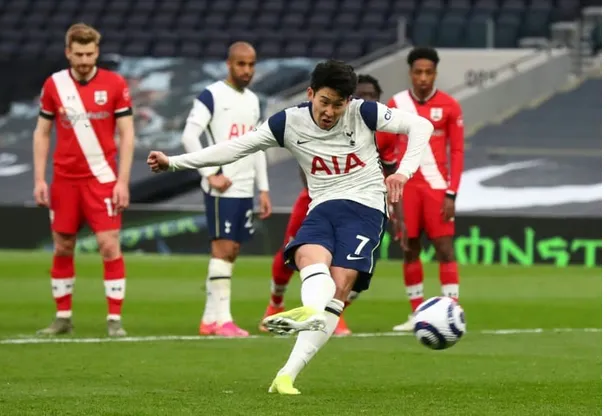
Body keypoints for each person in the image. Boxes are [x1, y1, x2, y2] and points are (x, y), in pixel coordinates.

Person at [147, 60, 433, 395]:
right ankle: (310, 311)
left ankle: (287, 374)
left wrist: (403, 173)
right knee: (307, 257)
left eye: (337, 105)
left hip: (365, 208)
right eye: (324, 102)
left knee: (340, 285)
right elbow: (235, 148)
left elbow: (421, 126)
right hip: (323, 206)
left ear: (348, 101)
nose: (329, 112)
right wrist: (174, 162)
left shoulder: (364, 112)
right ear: (310, 93)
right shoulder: (288, 122)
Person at [259, 74, 394, 336]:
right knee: (291, 250)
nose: (367, 100)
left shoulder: (385, 133)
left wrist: (391, 204)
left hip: (365, 207)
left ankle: (334, 312)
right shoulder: (334, 122)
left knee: (357, 266)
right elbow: (308, 164)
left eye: (372, 96)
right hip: (316, 200)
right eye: (362, 95)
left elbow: (389, 169)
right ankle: (275, 303)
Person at [33, 23, 135, 337]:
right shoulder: (54, 85)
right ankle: (62, 317)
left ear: (97, 52)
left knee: (109, 245)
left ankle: (114, 320)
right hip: (64, 180)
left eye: (89, 54)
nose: (84, 60)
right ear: (68, 52)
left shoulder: (115, 83)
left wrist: (122, 181)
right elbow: (42, 132)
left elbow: (127, 133)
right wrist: (40, 179)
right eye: (78, 54)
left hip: (101, 179)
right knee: (63, 246)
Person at [180, 42, 272, 337]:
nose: (247, 70)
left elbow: (258, 145)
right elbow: (189, 136)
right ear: (229, 64)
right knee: (223, 249)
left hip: (244, 187)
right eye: (241, 64)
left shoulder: (253, 100)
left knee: (232, 251)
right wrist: (210, 174)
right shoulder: (212, 95)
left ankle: (210, 319)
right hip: (223, 186)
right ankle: (223, 320)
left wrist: (263, 188)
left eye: (251, 64)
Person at [375, 47, 465, 331]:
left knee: (444, 249)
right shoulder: (397, 103)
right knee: (410, 248)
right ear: (410, 73)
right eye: (418, 72)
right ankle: (417, 313)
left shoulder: (450, 106)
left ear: (435, 74)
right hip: (407, 188)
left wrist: (452, 192)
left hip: (437, 187)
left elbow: (457, 151)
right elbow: (385, 148)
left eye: (428, 72)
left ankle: (452, 311)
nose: (423, 78)